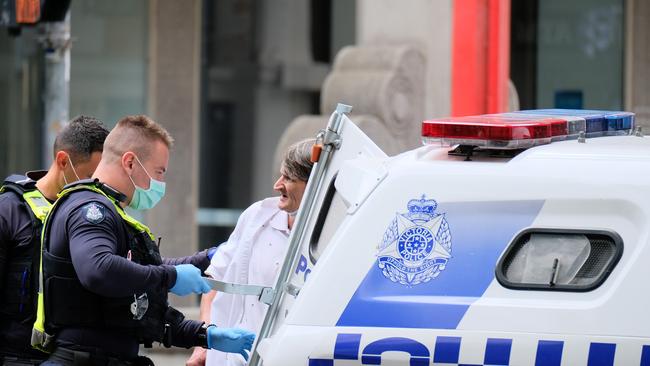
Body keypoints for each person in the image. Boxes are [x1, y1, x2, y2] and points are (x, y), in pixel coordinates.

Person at [38, 115, 254, 366]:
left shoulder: (109, 211)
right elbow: (98, 269)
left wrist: (205, 262)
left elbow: (142, 278)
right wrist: (170, 277)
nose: (161, 183)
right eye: (158, 172)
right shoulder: (91, 210)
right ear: (130, 162)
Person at [186, 139, 315, 366]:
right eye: (280, 174)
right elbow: (216, 280)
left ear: (314, 184)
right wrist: (204, 341)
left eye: (288, 178)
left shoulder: (331, 238)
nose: (277, 184)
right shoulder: (257, 215)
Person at [0, 116, 109, 365]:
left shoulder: (94, 218)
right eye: (90, 175)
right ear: (63, 161)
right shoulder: (9, 211)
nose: (95, 186)